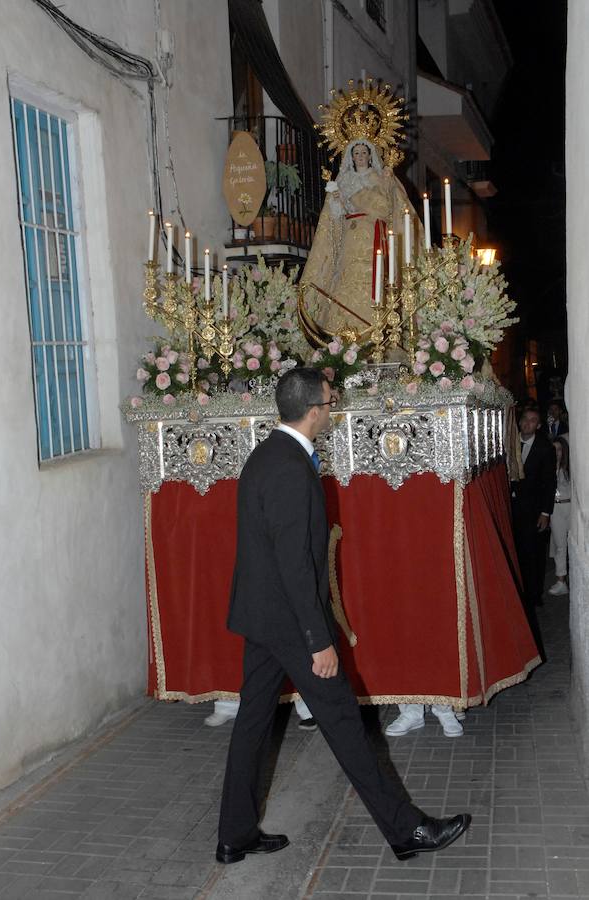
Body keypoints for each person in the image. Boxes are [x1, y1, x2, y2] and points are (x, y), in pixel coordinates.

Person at [216, 367, 471, 864]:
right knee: (345, 724)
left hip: (262, 618)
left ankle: (235, 833)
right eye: (331, 404)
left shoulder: (266, 455)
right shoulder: (291, 468)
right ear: (314, 412)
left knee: (252, 722)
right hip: (292, 623)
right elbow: (295, 564)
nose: (332, 411)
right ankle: (406, 829)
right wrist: (318, 639)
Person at [300, 139, 420, 335]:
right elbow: (336, 216)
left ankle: (377, 326)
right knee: (346, 275)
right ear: (351, 157)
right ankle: (341, 329)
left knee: (375, 274)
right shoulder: (344, 180)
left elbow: (389, 208)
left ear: (370, 155)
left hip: (373, 235)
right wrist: (337, 200)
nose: (361, 156)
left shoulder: (379, 177)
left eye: (364, 152)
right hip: (350, 235)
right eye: (357, 153)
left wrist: (385, 186)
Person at [511, 408, 557, 621]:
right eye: (525, 419)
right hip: (513, 507)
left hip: (534, 509)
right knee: (518, 551)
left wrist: (545, 512)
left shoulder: (544, 448)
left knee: (535, 554)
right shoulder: (510, 443)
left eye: (533, 421)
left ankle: (534, 594)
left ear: (538, 425)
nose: (527, 423)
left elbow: (549, 482)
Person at [548, 437, 571, 596]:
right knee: (560, 544)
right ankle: (561, 580)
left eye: (559, 449)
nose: (557, 453)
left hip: (571, 507)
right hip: (555, 508)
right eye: (554, 449)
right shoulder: (547, 469)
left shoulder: (570, 469)